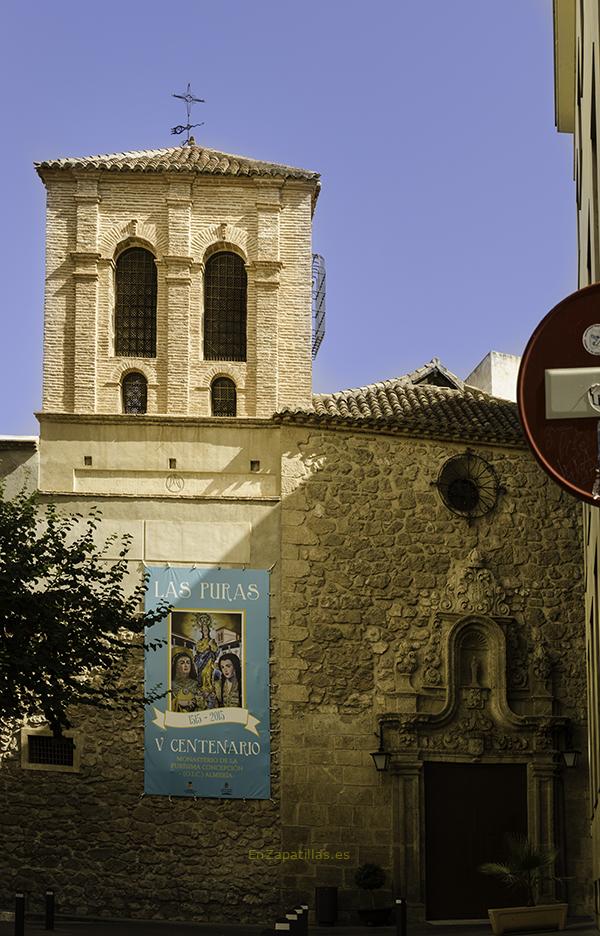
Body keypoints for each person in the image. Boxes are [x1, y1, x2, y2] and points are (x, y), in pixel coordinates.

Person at [170, 647, 203, 712]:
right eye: (182, 663)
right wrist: (178, 702)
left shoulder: (195, 683)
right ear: (176, 666)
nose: (186, 665)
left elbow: (201, 702)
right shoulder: (170, 684)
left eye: (188, 662)